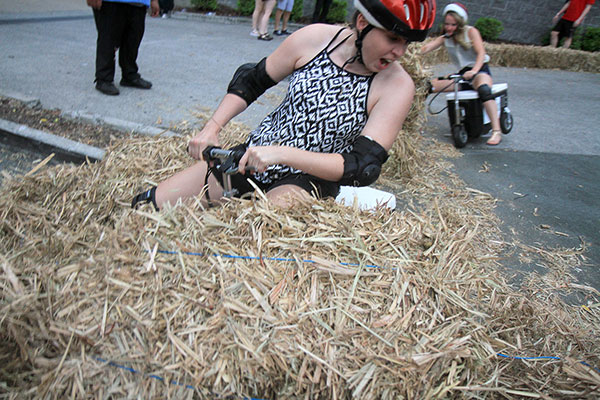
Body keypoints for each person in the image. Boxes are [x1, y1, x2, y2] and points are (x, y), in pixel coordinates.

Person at [131, 0, 436, 211]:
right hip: (251, 157)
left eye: (406, 43)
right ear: (362, 23)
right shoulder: (316, 39)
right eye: (393, 38)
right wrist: (212, 128)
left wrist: (283, 155)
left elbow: (361, 167)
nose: (399, 52)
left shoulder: (397, 86)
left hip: (308, 181)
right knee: (147, 207)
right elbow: (251, 80)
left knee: (243, 239)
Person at [420, 2, 503, 145]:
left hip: (479, 70)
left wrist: (474, 71)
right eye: (447, 24)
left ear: (460, 23)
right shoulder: (446, 37)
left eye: (453, 25)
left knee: (484, 90)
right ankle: (414, 122)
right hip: (462, 75)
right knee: (426, 86)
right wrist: (410, 53)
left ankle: (496, 131)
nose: (449, 27)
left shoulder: (471, 32)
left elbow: (481, 53)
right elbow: (427, 47)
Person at [87, 0, 159, 96]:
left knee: (133, 39)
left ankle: (129, 74)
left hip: (139, 3)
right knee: (108, 39)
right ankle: (104, 78)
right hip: (111, 2)